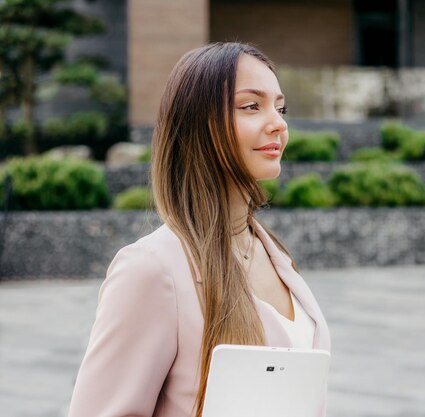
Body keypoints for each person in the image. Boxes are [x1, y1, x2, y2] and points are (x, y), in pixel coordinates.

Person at [68, 42, 331, 417]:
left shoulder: (270, 249)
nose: (278, 123)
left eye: (280, 106)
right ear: (200, 125)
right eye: (251, 106)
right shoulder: (152, 269)